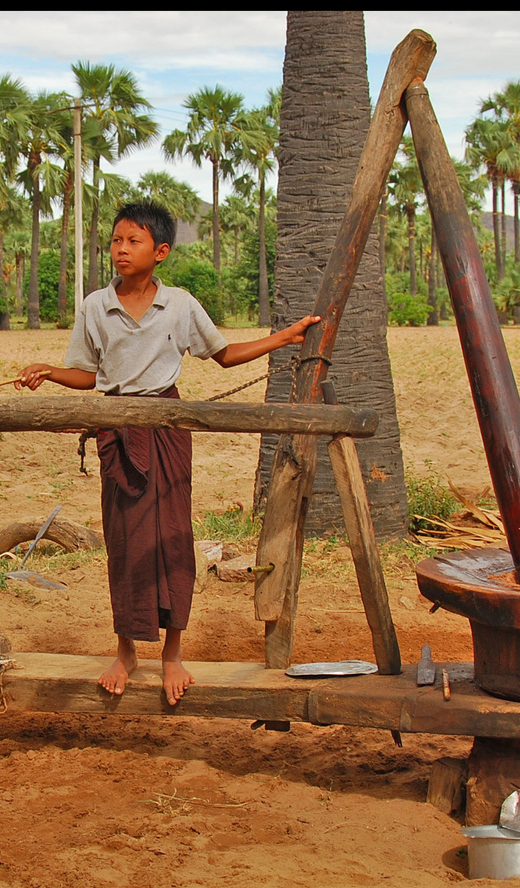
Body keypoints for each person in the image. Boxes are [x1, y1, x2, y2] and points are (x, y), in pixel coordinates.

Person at [17, 200, 319, 705]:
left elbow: (224, 356)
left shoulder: (179, 305)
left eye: (132, 241)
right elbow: (90, 375)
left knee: (173, 536)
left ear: (160, 251)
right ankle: (127, 650)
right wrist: (48, 370)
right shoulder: (95, 306)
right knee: (124, 540)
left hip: (168, 427)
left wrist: (283, 338)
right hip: (115, 428)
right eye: (115, 240)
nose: (120, 249)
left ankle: (173, 654)